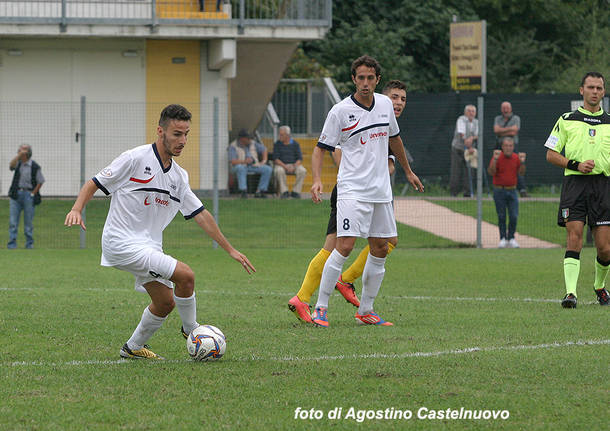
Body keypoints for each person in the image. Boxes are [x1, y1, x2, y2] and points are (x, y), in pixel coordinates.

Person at [64, 104, 255, 360]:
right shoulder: (135, 158)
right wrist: (77, 208)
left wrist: (230, 249)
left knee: (165, 303)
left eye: (186, 134)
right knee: (186, 276)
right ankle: (192, 331)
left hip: (149, 246)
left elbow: (201, 214)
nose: (183, 140)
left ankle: (132, 348)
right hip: (121, 242)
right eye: (177, 134)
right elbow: (95, 182)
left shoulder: (179, 176)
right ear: (160, 131)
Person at [309, 56, 423, 327]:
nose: (365, 83)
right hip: (352, 189)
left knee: (381, 246)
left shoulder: (384, 104)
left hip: (380, 190)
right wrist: (316, 180)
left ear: (377, 80)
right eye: (360, 78)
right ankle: (321, 308)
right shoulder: (340, 111)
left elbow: (395, 139)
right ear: (353, 79)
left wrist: (407, 171)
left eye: (370, 78)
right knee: (345, 245)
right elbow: (319, 149)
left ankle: (366, 310)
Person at [288, 80, 410, 324]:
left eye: (403, 99)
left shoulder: (385, 124)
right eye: (394, 97)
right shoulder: (353, 113)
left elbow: (387, 160)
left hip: (375, 192)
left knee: (384, 243)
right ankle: (309, 296)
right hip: (351, 192)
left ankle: (345, 287)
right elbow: (336, 149)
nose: (397, 103)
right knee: (336, 247)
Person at [544, 71, 609, 308]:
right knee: (574, 238)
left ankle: (599, 286)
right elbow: (551, 154)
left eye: (599, 88)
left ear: (603, 92)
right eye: (590, 87)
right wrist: (576, 165)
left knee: (604, 248)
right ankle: (570, 293)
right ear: (581, 90)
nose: (594, 92)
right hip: (575, 185)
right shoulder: (566, 119)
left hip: (603, 186)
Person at [487, 137, 526, 248]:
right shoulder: (497, 157)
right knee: (501, 215)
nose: (508, 148)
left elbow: (521, 173)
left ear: (513, 147)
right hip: (499, 190)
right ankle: (503, 238)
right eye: (506, 146)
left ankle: (511, 238)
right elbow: (491, 171)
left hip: (512, 190)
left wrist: (523, 162)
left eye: (510, 146)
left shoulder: (515, 158)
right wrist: (494, 159)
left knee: (514, 215)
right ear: (502, 147)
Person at [7, 144, 44, 249]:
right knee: (13, 222)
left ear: (29, 152)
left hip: (28, 195)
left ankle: (29, 244)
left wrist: (33, 193)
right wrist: (19, 156)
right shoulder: (17, 163)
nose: (22, 151)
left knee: (28, 222)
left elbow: (40, 181)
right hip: (16, 195)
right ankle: (12, 244)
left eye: (24, 149)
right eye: (20, 149)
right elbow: (11, 166)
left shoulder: (35, 166)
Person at [494, 101, 526, 197]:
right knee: (497, 165)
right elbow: (496, 130)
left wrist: (501, 132)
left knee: (517, 165)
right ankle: (498, 188)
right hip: (500, 145)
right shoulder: (497, 118)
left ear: (510, 109)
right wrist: (509, 129)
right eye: (503, 108)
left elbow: (514, 131)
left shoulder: (516, 118)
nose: (505, 110)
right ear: (501, 109)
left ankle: (522, 189)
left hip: (513, 145)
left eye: (507, 108)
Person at [228, 128, 272, 198]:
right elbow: (232, 161)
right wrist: (245, 161)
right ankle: (243, 191)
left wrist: (264, 161)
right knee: (241, 168)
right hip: (239, 166)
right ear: (242, 139)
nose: (249, 140)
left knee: (268, 169)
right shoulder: (233, 146)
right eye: (247, 138)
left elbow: (264, 149)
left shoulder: (253, 143)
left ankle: (260, 191)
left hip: (253, 165)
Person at [449, 105, 478, 197]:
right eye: (469, 111)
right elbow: (461, 133)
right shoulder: (461, 119)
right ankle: (454, 193)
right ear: (465, 112)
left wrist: (471, 140)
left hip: (470, 150)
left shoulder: (477, 122)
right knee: (456, 170)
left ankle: (468, 193)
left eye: (473, 111)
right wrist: (467, 140)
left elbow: (477, 135)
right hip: (458, 148)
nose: (471, 113)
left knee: (470, 169)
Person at [273, 125, 307, 198]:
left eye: (281, 135)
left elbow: (299, 159)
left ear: (287, 135)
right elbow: (276, 159)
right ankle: (284, 192)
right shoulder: (277, 144)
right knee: (279, 171)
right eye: (280, 134)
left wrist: (293, 166)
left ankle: (296, 192)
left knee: (302, 171)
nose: (280, 136)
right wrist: (285, 166)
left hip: (293, 165)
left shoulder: (295, 144)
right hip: (281, 165)